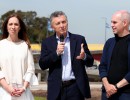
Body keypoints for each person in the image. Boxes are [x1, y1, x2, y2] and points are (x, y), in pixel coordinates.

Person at [39, 11, 94, 100]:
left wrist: (84, 57)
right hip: (56, 89)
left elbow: (90, 62)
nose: (62, 25)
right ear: (53, 26)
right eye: (58, 23)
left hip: (75, 88)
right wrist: (56, 53)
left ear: (67, 22)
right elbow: (42, 64)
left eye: (64, 22)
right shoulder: (47, 42)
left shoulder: (79, 40)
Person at [0, 14, 38, 100]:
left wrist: (23, 87)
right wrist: (8, 88)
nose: (13, 27)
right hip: (5, 93)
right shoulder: (1, 45)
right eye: (10, 24)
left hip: (23, 92)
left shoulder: (25, 45)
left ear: (20, 27)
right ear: (6, 27)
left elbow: (30, 69)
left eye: (16, 24)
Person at [99, 10, 130, 100]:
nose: (112, 25)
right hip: (107, 93)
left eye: (115, 22)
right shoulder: (109, 42)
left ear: (124, 23)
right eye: (111, 22)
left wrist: (116, 87)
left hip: (125, 94)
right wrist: (107, 85)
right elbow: (102, 66)